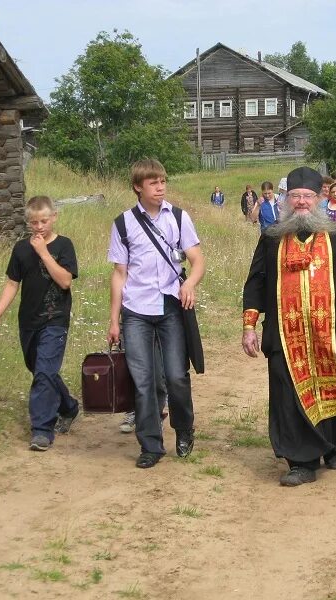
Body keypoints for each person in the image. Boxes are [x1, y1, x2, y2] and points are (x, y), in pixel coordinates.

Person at [242, 166, 336, 487]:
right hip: (285, 340)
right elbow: (256, 284)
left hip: (330, 336)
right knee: (288, 395)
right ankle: (301, 461)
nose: (301, 202)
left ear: (318, 198)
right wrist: (249, 327)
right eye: (295, 197)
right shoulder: (271, 239)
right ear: (286, 200)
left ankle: (333, 446)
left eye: (307, 196)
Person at [107, 159, 206, 468]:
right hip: (135, 309)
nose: (161, 187)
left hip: (170, 306)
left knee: (176, 375)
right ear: (138, 186)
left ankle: (184, 429)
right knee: (144, 379)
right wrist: (114, 319)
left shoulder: (178, 217)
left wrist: (189, 282)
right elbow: (119, 274)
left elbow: (197, 260)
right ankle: (150, 444)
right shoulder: (122, 223)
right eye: (153, 182)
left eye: (163, 181)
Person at [0, 196, 80, 451]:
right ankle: (69, 407)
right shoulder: (20, 249)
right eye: (34, 222)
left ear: (54, 217)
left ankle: (41, 430)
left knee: (44, 372)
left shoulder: (64, 245)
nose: (39, 227)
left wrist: (43, 252)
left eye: (44, 221)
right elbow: (11, 284)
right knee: (39, 369)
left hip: (55, 319)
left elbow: (65, 281)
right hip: (28, 320)